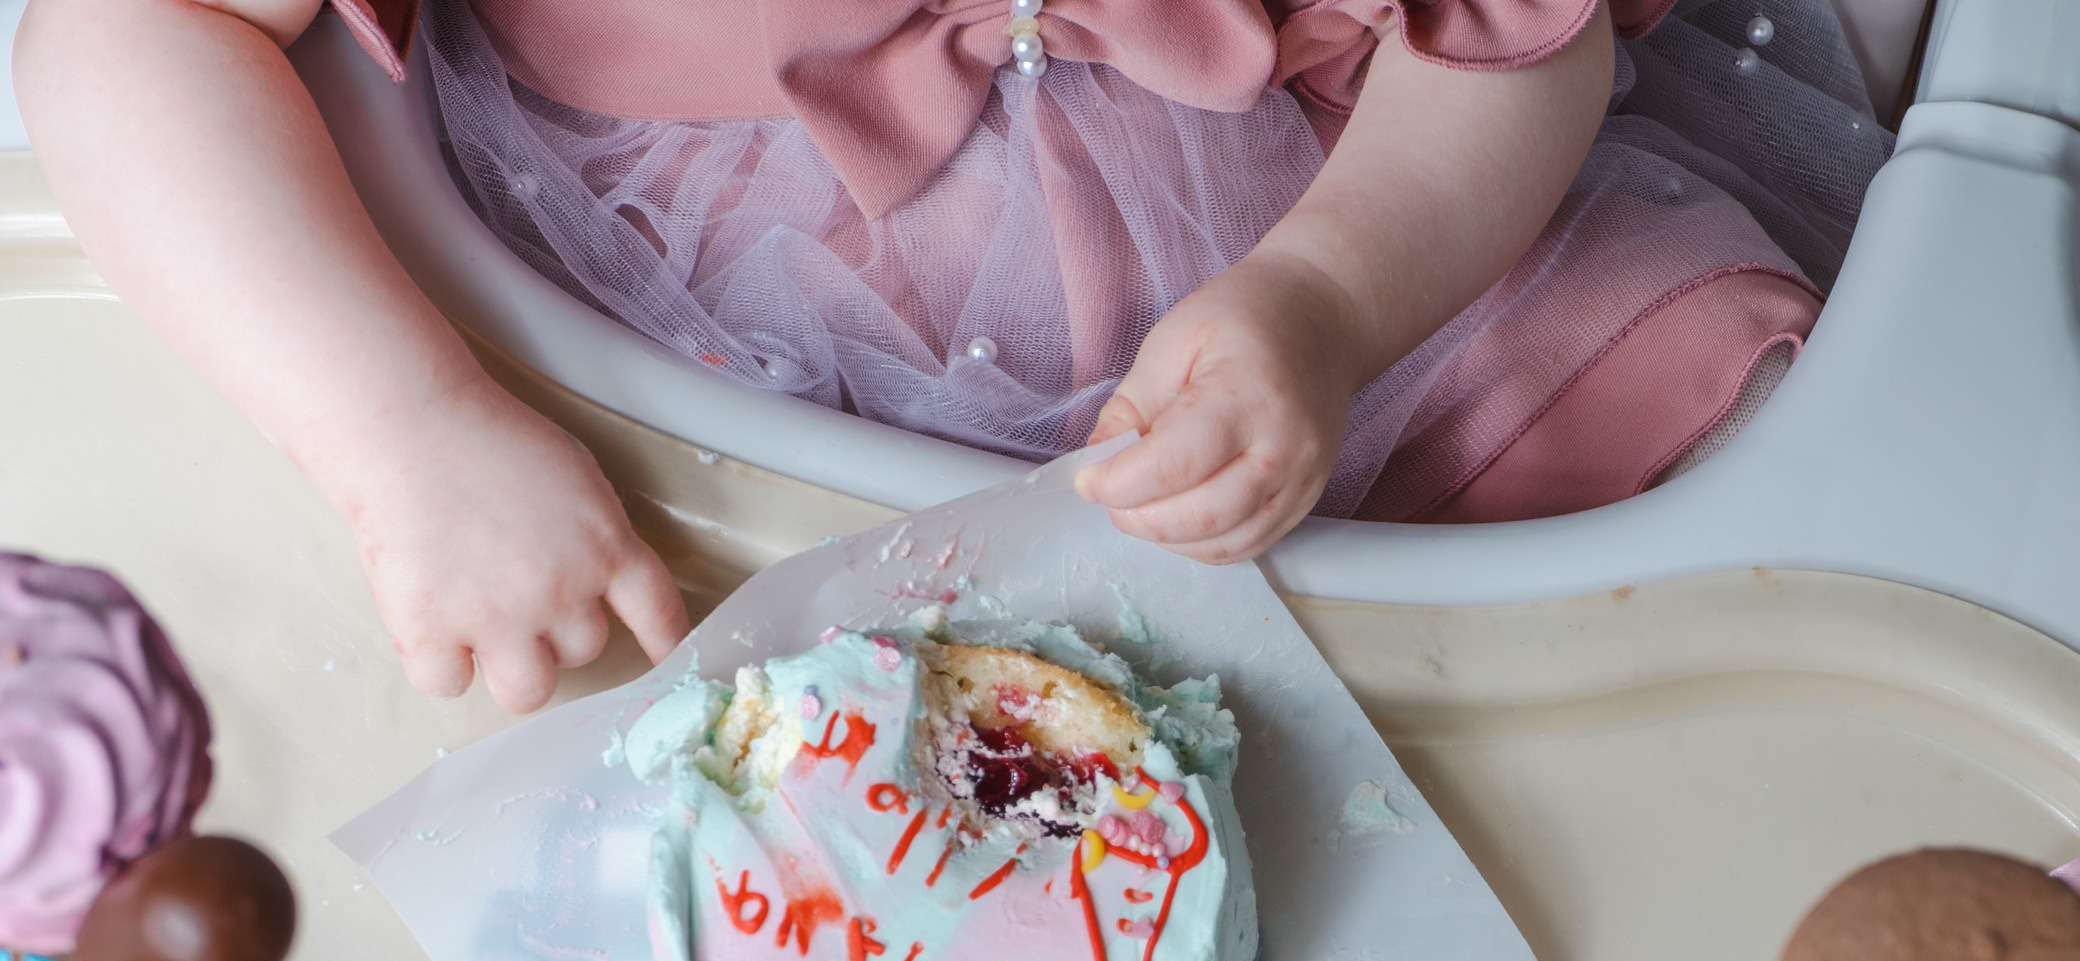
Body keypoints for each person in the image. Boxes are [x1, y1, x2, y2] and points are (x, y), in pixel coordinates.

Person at [14, 0, 1885, 711]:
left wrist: (1332, 299)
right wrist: (400, 432)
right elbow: (120, 34)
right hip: (672, 338)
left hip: (1322, 275)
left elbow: (1502, 50)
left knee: (1711, 544)